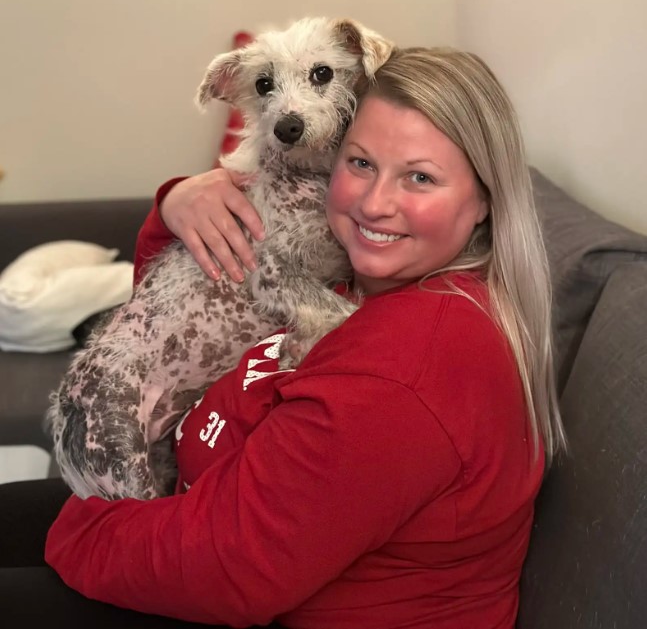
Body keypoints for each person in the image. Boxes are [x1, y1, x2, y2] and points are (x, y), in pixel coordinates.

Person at [0, 47, 565, 629]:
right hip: (192, 509)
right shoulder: (357, 278)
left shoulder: (406, 370)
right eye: (361, 163)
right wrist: (177, 206)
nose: (375, 203)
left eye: (420, 177)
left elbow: (231, 570)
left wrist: (79, 533)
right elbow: (174, 330)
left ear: (484, 203)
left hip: (229, 579)